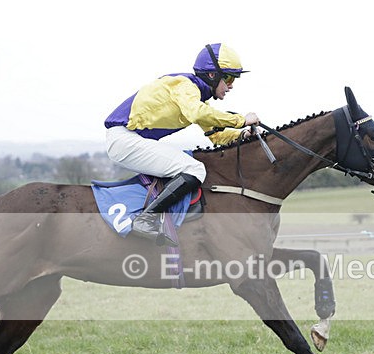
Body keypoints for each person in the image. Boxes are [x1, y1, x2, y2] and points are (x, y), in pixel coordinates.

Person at [104, 43, 260, 244]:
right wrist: (240, 120)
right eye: (229, 78)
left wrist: (242, 135)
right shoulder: (185, 86)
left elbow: (215, 136)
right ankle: (145, 220)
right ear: (212, 75)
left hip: (130, 140)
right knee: (194, 169)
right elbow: (197, 113)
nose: (231, 86)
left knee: (190, 164)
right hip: (123, 139)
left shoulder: (196, 97)